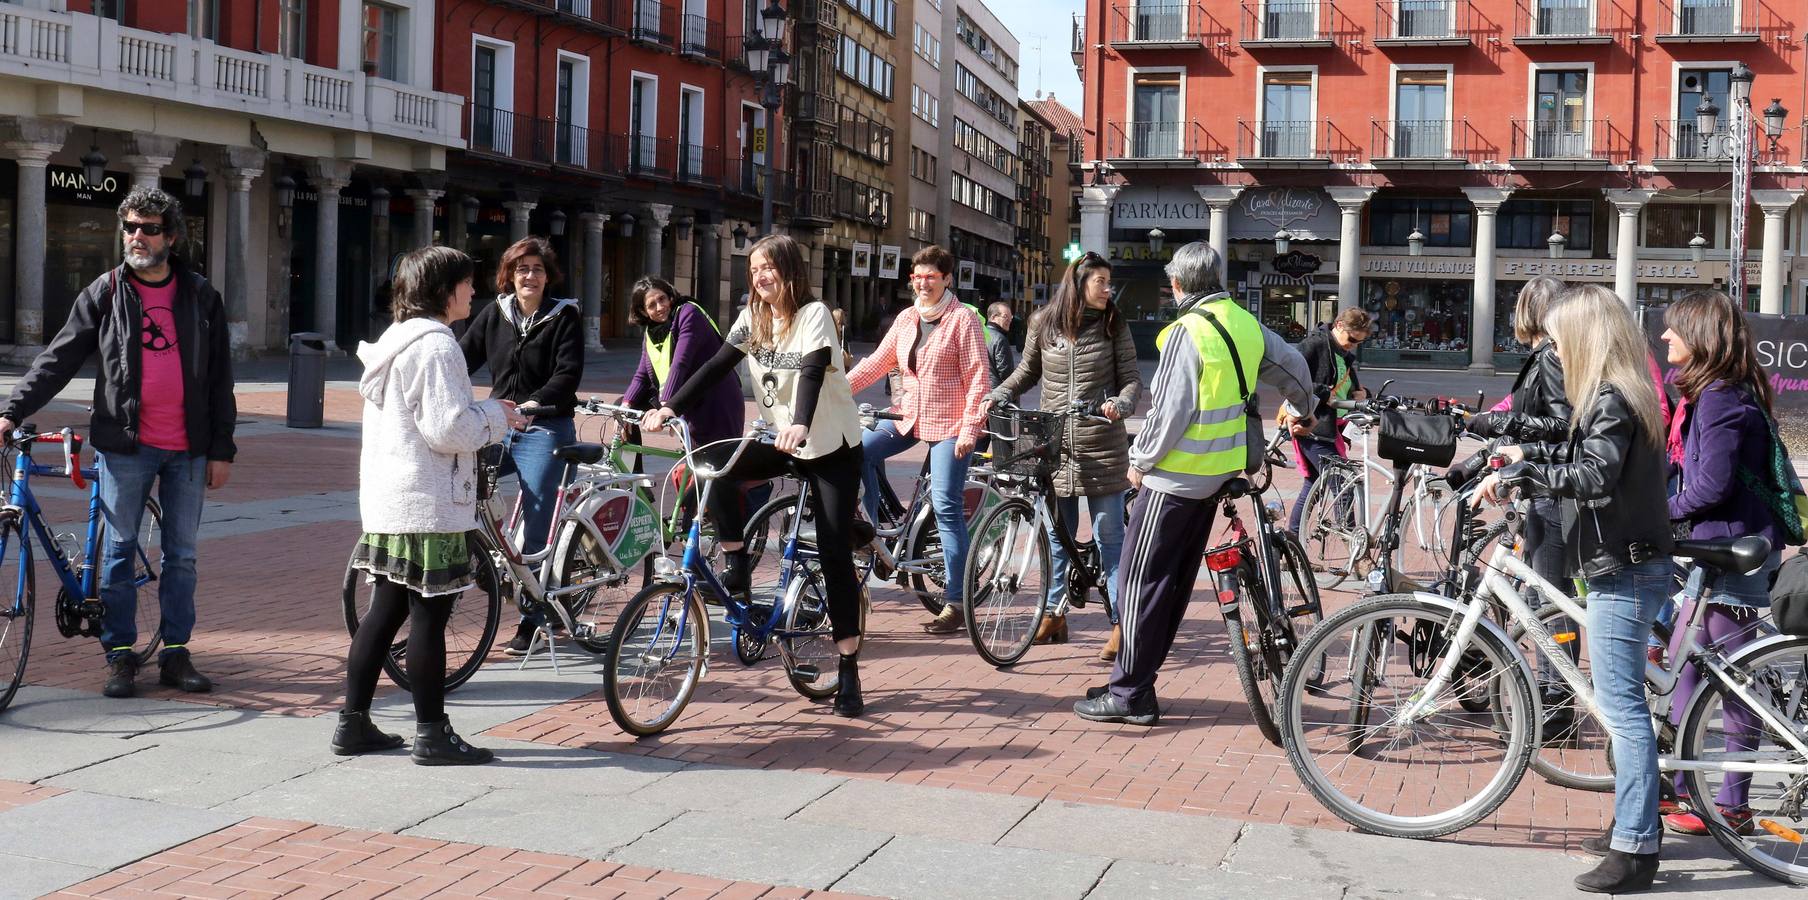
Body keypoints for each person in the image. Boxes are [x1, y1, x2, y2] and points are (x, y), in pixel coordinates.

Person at [0, 186, 236, 699]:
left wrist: (222, 448)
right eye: (130, 227)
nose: (137, 236)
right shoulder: (104, 292)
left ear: (170, 236)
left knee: (183, 554)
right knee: (118, 551)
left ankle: (176, 653)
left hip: (189, 448)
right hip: (126, 446)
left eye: (149, 228)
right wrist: (12, 409)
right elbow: (58, 359)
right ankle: (120, 655)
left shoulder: (201, 297)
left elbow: (220, 380)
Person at [1481, 284, 1674, 894]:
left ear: (1586, 337)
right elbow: (1578, 448)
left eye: (1563, 336)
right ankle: (1635, 823)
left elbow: (1593, 473)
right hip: (1626, 562)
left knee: (1622, 711)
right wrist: (1520, 451)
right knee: (1624, 704)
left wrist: (1523, 471)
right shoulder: (1617, 394)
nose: (1556, 347)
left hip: (1625, 566)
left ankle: (1636, 850)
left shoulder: (1613, 396)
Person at [1072, 242, 1312, 725]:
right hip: (1221, 473)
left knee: (1141, 582)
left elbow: (1170, 412)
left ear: (1178, 284)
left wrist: (1139, 460)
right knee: (1175, 581)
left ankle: (1129, 693)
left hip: (1174, 478)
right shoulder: (1244, 322)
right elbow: (1297, 371)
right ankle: (1136, 677)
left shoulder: (1186, 332)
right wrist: (1302, 411)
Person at [640, 235, 869, 716]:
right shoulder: (752, 319)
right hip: (783, 442)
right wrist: (668, 407)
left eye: (770, 268)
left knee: (831, 552)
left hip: (829, 447)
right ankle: (738, 564)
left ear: (789, 269)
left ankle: (848, 669)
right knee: (713, 465)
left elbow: (811, 371)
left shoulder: (813, 315)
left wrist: (802, 421)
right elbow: (713, 368)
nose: (762, 276)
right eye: (755, 269)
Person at [339, 245, 528, 765]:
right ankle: (432, 733)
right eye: (467, 283)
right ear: (445, 290)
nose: (475, 291)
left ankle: (353, 723)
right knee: (429, 616)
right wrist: (496, 415)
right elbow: (448, 428)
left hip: (391, 498)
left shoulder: (395, 340)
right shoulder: (437, 343)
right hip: (429, 501)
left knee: (385, 611)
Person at [1657, 289, 1784, 837]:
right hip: (1718, 547)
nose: (1664, 336)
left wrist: (1655, 517)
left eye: (1674, 329)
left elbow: (1709, 486)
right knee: (1687, 666)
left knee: (1734, 683)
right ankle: (1683, 783)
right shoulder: (1711, 391)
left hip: (1734, 550)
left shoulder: (1721, 398)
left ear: (1701, 338)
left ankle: (1730, 803)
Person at [984, 252, 1141, 658]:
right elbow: (1027, 372)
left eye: (1109, 282)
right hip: (1055, 445)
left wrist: (1120, 405)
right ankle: (1053, 614)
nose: (1108, 289)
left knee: (1110, 535)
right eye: (1101, 282)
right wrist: (1001, 392)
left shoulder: (1113, 323)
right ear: (1079, 283)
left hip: (1102, 445)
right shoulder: (1043, 323)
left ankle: (1122, 623)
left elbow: (1131, 380)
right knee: (1057, 535)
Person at [847, 246, 991, 634]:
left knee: (946, 505)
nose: (923, 283)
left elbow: (979, 377)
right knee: (856, 450)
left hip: (950, 425)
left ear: (947, 279)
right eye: (917, 276)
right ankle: (873, 534)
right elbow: (878, 362)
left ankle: (956, 602)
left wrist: (970, 429)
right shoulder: (908, 318)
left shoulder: (963, 321)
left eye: (931, 276)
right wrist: (834, 390)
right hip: (909, 416)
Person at [458, 236, 585, 655]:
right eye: (522, 269)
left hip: (545, 427)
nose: (530, 276)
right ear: (509, 275)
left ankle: (533, 618)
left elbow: (567, 374)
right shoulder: (494, 313)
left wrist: (533, 405)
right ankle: (485, 561)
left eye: (538, 269)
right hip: (499, 424)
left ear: (548, 277)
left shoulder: (563, 316)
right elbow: (462, 359)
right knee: (464, 484)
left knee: (536, 517)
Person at [1281, 308, 1371, 536]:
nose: (1353, 345)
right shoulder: (1315, 344)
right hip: (1312, 426)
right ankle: (1352, 545)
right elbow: (1291, 377)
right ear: (1339, 325)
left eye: (1358, 342)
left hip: (1330, 428)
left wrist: (1361, 393)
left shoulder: (1341, 352)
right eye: (1352, 339)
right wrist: (1323, 392)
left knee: (1314, 484)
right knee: (1342, 483)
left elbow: (1343, 389)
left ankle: (1292, 543)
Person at [984, 301, 1017, 387]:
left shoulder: (978, 333)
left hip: (981, 389)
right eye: (1005, 317)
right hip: (997, 392)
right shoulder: (1000, 339)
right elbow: (1006, 372)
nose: (1009, 320)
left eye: (1011, 317)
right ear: (993, 317)